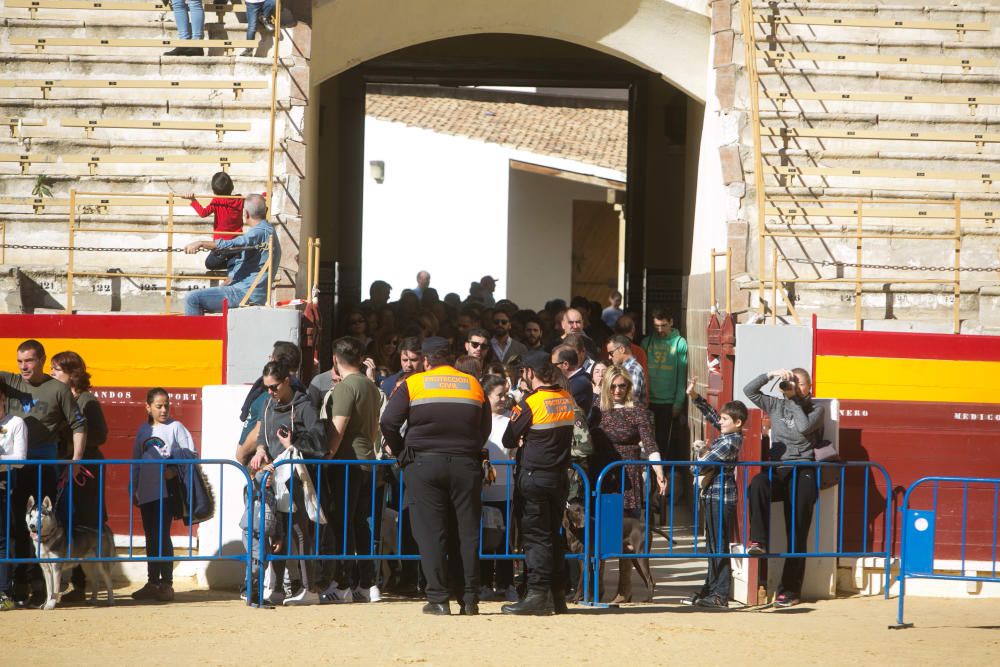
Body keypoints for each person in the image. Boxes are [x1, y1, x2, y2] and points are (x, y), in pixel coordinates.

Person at [380, 337, 491, 616]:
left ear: (426, 360)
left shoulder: (414, 383)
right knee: (467, 533)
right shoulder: (473, 384)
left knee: (430, 533)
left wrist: (401, 451)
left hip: (424, 465)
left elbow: (388, 421)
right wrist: (468, 446)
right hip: (466, 464)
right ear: (452, 359)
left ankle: (438, 599)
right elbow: (485, 426)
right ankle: (469, 600)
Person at [1, 339, 86, 607]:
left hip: (44, 467)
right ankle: (18, 585)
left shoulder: (58, 388)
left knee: (46, 526)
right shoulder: (11, 381)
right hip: (14, 467)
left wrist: (75, 460)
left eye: (29, 361)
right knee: (16, 524)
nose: (23, 366)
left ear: (41, 360)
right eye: (19, 361)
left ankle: (42, 586)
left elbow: (78, 424)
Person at [500, 353, 576, 615]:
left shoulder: (531, 403)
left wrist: (524, 438)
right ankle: (557, 596)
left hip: (534, 477)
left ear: (530, 372)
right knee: (554, 537)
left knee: (535, 539)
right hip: (558, 478)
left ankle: (536, 596)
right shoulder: (566, 398)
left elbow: (509, 438)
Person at [744, 368, 825, 608]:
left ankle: (790, 590)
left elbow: (802, 427)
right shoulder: (775, 405)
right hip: (780, 469)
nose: (792, 386)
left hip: (804, 469)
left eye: (798, 384)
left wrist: (794, 399)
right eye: (790, 382)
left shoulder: (816, 409)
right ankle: (758, 541)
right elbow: (749, 390)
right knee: (758, 483)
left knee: (797, 530)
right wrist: (769, 375)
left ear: (808, 388)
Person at [249, 360, 328, 606]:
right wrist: (260, 450)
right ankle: (276, 588)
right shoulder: (267, 404)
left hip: (296, 477)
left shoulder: (304, 407)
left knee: (299, 531)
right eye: (266, 387)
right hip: (273, 475)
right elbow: (262, 436)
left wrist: (292, 445)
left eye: (274, 387)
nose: (270, 392)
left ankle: (310, 588)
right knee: (277, 532)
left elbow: (319, 441)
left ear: (286, 382)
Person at [318, 337, 382, 604]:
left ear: (335, 359)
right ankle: (367, 584)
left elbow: (338, 428)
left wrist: (326, 456)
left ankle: (342, 582)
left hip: (346, 463)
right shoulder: (371, 386)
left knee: (342, 524)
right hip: (368, 462)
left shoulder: (345, 388)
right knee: (360, 524)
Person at [49, 350, 109, 602]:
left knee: (84, 520)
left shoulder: (86, 400)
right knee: (65, 519)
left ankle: (82, 584)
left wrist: (74, 435)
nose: (52, 374)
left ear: (71, 374)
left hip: (86, 469)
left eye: (57, 370)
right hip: (67, 466)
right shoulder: (59, 396)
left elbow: (100, 435)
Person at [685, 377, 747, 609]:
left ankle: (720, 592)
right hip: (714, 495)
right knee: (713, 544)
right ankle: (711, 588)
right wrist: (695, 397)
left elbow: (698, 467)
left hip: (721, 496)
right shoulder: (728, 435)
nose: (720, 422)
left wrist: (697, 456)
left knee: (718, 545)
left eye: (725, 420)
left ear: (738, 423)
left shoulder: (729, 442)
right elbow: (712, 416)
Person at [131, 388, 195, 603]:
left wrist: (175, 470)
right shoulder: (142, 431)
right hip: (147, 491)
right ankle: (152, 582)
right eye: (159, 406)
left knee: (162, 534)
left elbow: (190, 454)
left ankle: (166, 583)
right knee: (151, 535)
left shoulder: (176, 427)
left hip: (166, 491)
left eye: (166, 405)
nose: (164, 409)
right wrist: (134, 488)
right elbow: (136, 462)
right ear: (148, 407)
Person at [183, 193, 280, 315]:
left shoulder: (260, 232)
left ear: (245, 214)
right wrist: (230, 279)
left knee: (192, 299)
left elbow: (237, 243)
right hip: (246, 290)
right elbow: (248, 260)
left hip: (244, 294)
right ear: (265, 210)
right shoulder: (268, 230)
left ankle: (196, 334)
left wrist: (202, 243)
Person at [591, 367, 665, 518]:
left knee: (629, 524)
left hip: (630, 473)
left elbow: (650, 443)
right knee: (605, 526)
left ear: (628, 386)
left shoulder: (637, 410)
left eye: (621, 385)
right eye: (612, 386)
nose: (617, 390)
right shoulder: (597, 407)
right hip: (603, 471)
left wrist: (659, 471)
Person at [479, 374, 517, 603]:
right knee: (484, 537)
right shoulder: (479, 420)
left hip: (506, 487)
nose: (503, 399)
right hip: (484, 489)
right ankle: (483, 582)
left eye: (505, 395)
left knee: (505, 539)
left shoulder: (510, 419)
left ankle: (506, 582)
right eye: (498, 395)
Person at [641, 310, 688, 471]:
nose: (660, 330)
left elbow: (682, 374)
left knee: (662, 444)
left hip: (668, 402)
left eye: (663, 325)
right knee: (646, 443)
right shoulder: (647, 342)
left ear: (671, 322)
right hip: (649, 401)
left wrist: (679, 402)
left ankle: (662, 481)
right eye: (656, 326)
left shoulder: (679, 343)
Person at [181, 173, 244, 271]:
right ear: (232, 186)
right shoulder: (240, 199)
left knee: (209, 264)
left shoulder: (217, 201)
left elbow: (203, 213)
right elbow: (255, 200)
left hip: (220, 245)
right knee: (233, 257)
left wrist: (193, 200)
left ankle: (232, 263)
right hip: (237, 243)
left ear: (214, 190)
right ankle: (235, 262)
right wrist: (265, 196)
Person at [0, 385, 27, 611]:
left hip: (4, 482)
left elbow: (20, 458)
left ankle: (3, 592)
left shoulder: (15, 423)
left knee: (3, 537)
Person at [551, 344, 593, 418]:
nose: (552, 370)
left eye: (554, 365)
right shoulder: (573, 381)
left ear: (565, 365)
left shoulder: (580, 383)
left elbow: (556, 406)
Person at [606, 335, 647, 407]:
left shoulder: (632, 369)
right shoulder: (627, 368)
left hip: (630, 416)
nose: (609, 357)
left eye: (611, 353)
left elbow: (631, 400)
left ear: (622, 349)